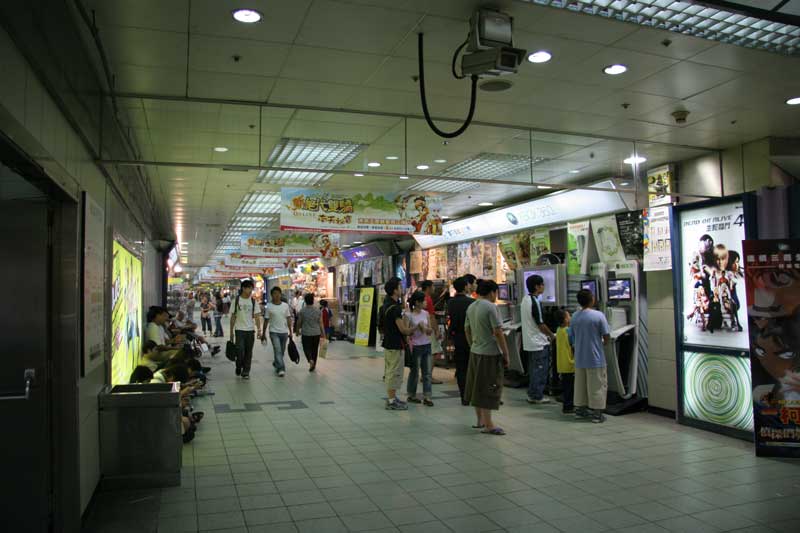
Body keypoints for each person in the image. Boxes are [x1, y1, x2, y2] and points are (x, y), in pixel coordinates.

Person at [464, 280, 510, 435]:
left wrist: (472, 345)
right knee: (489, 387)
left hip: (475, 352)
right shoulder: (491, 307)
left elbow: (467, 329)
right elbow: (498, 332)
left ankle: (480, 420)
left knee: (477, 387)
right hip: (490, 353)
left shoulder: (471, 307)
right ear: (492, 292)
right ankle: (489, 424)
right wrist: (506, 353)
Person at [570, 289, 611, 423]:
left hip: (580, 357)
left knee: (580, 386)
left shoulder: (574, 316)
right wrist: (603, 343)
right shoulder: (598, 315)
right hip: (595, 358)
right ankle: (597, 414)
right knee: (597, 385)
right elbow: (606, 336)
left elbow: (572, 336)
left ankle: (580, 411)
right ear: (592, 300)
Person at [380, 277, 416, 410]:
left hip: (388, 342)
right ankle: (391, 401)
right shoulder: (395, 308)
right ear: (395, 290)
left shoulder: (384, 306)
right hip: (395, 344)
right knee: (394, 373)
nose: (402, 289)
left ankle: (393, 398)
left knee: (391, 371)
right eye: (400, 286)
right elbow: (403, 330)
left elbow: (381, 326)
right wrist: (415, 328)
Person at [522, 274, 556, 404]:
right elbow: (540, 324)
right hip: (538, 342)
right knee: (540, 370)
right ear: (537, 286)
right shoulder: (534, 302)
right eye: (542, 284)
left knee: (534, 369)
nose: (544, 287)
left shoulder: (525, 300)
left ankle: (532, 393)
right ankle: (536, 395)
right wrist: (551, 335)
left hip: (530, 341)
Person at [447, 276, 474, 405]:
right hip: (470, 337)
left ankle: (464, 396)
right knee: (471, 366)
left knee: (461, 368)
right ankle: (472, 394)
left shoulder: (451, 302)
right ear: (465, 287)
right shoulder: (471, 302)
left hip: (457, 337)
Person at [406, 291, 435, 406]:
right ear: (417, 302)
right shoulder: (409, 315)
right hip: (415, 346)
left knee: (427, 372)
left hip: (426, 345)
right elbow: (406, 332)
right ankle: (411, 394)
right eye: (423, 301)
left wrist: (428, 330)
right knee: (415, 372)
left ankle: (427, 396)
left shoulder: (426, 313)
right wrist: (416, 327)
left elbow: (429, 330)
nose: (425, 303)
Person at [230, 280, 263, 380]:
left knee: (249, 352)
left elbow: (257, 316)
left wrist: (259, 330)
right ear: (243, 288)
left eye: (251, 289)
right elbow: (233, 317)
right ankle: (238, 365)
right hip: (239, 330)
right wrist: (231, 332)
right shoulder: (236, 301)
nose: (250, 291)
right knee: (240, 350)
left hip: (250, 330)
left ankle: (246, 371)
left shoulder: (253, 301)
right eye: (249, 289)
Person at [263, 286, 292, 377]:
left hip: (284, 332)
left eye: (278, 293)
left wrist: (291, 331)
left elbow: (288, 318)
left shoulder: (285, 306)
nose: (277, 295)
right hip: (273, 332)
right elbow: (266, 320)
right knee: (277, 350)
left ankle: (276, 362)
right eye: (274, 294)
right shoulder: (269, 306)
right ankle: (281, 369)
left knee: (282, 351)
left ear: (280, 294)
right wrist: (263, 333)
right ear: (271, 295)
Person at [420, 280, 443, 384]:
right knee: (434, 351)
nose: (434, 289)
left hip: (421, 329)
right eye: (433, 287)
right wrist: (437, 331)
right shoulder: (428, 299)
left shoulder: (419, 298)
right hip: (429, 329)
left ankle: (424, 375)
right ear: (428, 288)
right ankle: (428, 376)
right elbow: (432, 317)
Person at [296, 293, 325, 372]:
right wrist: (323, 334)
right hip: (316, 333)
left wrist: (297, 331)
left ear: (305, 301)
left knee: (306, 348)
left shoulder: (302, 311)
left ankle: (310, 360)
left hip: (306, 333)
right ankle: (314, 364)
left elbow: (299, 322)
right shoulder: (318, 311)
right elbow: (321, 323)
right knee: (314, 349)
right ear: (313, 300)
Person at [555, 310, 575, 414]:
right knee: (570, 388)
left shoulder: (558, 330)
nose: (570, 317)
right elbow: (573, 344)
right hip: (569, 363)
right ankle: (569, 406)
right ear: (566, 320)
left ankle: (567, 405)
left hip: (561, 363)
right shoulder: (568, 331)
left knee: (566, 386)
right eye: (569, 316)